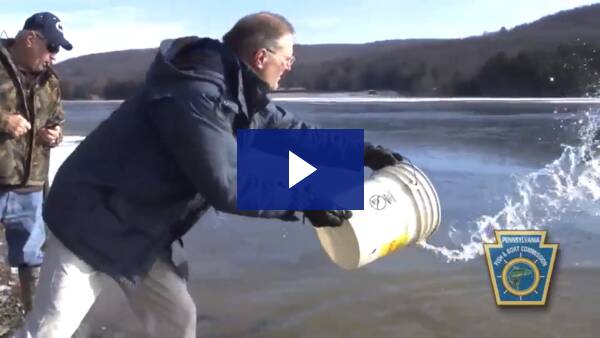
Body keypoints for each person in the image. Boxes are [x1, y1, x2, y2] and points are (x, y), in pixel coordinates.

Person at [14, 12, 401, 338]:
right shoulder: (196, 95)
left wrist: (360, 153)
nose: (290, 64)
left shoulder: (234, 89)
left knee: (176, 318)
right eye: (288, 56)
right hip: (89, 222)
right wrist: (306, 201)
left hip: (139, 229)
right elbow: (225, 184)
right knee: (51, 327)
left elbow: (285, 129)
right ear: (261, 55)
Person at [0, 12, 70, 313]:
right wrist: (3, 121)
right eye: (51, 47)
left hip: (30, 188)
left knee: (33, 261)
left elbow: (57, 121)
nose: (53, 57)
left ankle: (34, 324)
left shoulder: (50, 82)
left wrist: (54, 135)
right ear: (30, 38)